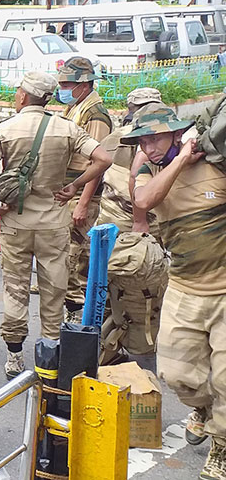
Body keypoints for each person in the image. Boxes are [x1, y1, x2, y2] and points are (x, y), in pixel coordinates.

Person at [0, 71, 112, 379]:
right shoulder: (67, 128)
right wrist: (74, 186)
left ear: (24, 96)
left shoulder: (4, 129)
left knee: (15, 287)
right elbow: (103, 158)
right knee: (54, 287)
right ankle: (48, 352)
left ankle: (14, 356)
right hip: (54, 221)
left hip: (15, 222)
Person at [129, 105, 226, 480]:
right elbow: (145, 201)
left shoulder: (217, 165)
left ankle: (220, 448)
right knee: (177, 374)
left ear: (176, 131)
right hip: (185, 288)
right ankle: (200, 409)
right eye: (143, 140)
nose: (149, 147)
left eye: (155, 137)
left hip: (223, 292)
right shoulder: (145, 172)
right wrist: (182, 157)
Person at [96, 88, 168, 364]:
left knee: (112, 292)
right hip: (136, 236)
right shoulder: (136, 144)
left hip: (120, 232)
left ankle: (111, 351)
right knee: (142, 302)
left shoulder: (122, 138)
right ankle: (137, 363)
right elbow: (138, 193)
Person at [56, 57, 112, 323]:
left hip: (82, 194)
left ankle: (78, 316)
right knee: (69, 255)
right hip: (71, 190)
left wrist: (83, 202)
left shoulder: (95, 115)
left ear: (84, 84)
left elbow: (97, 164)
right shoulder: (76, 107)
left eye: (67, 83)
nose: (62, 88)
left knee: (75, 258)